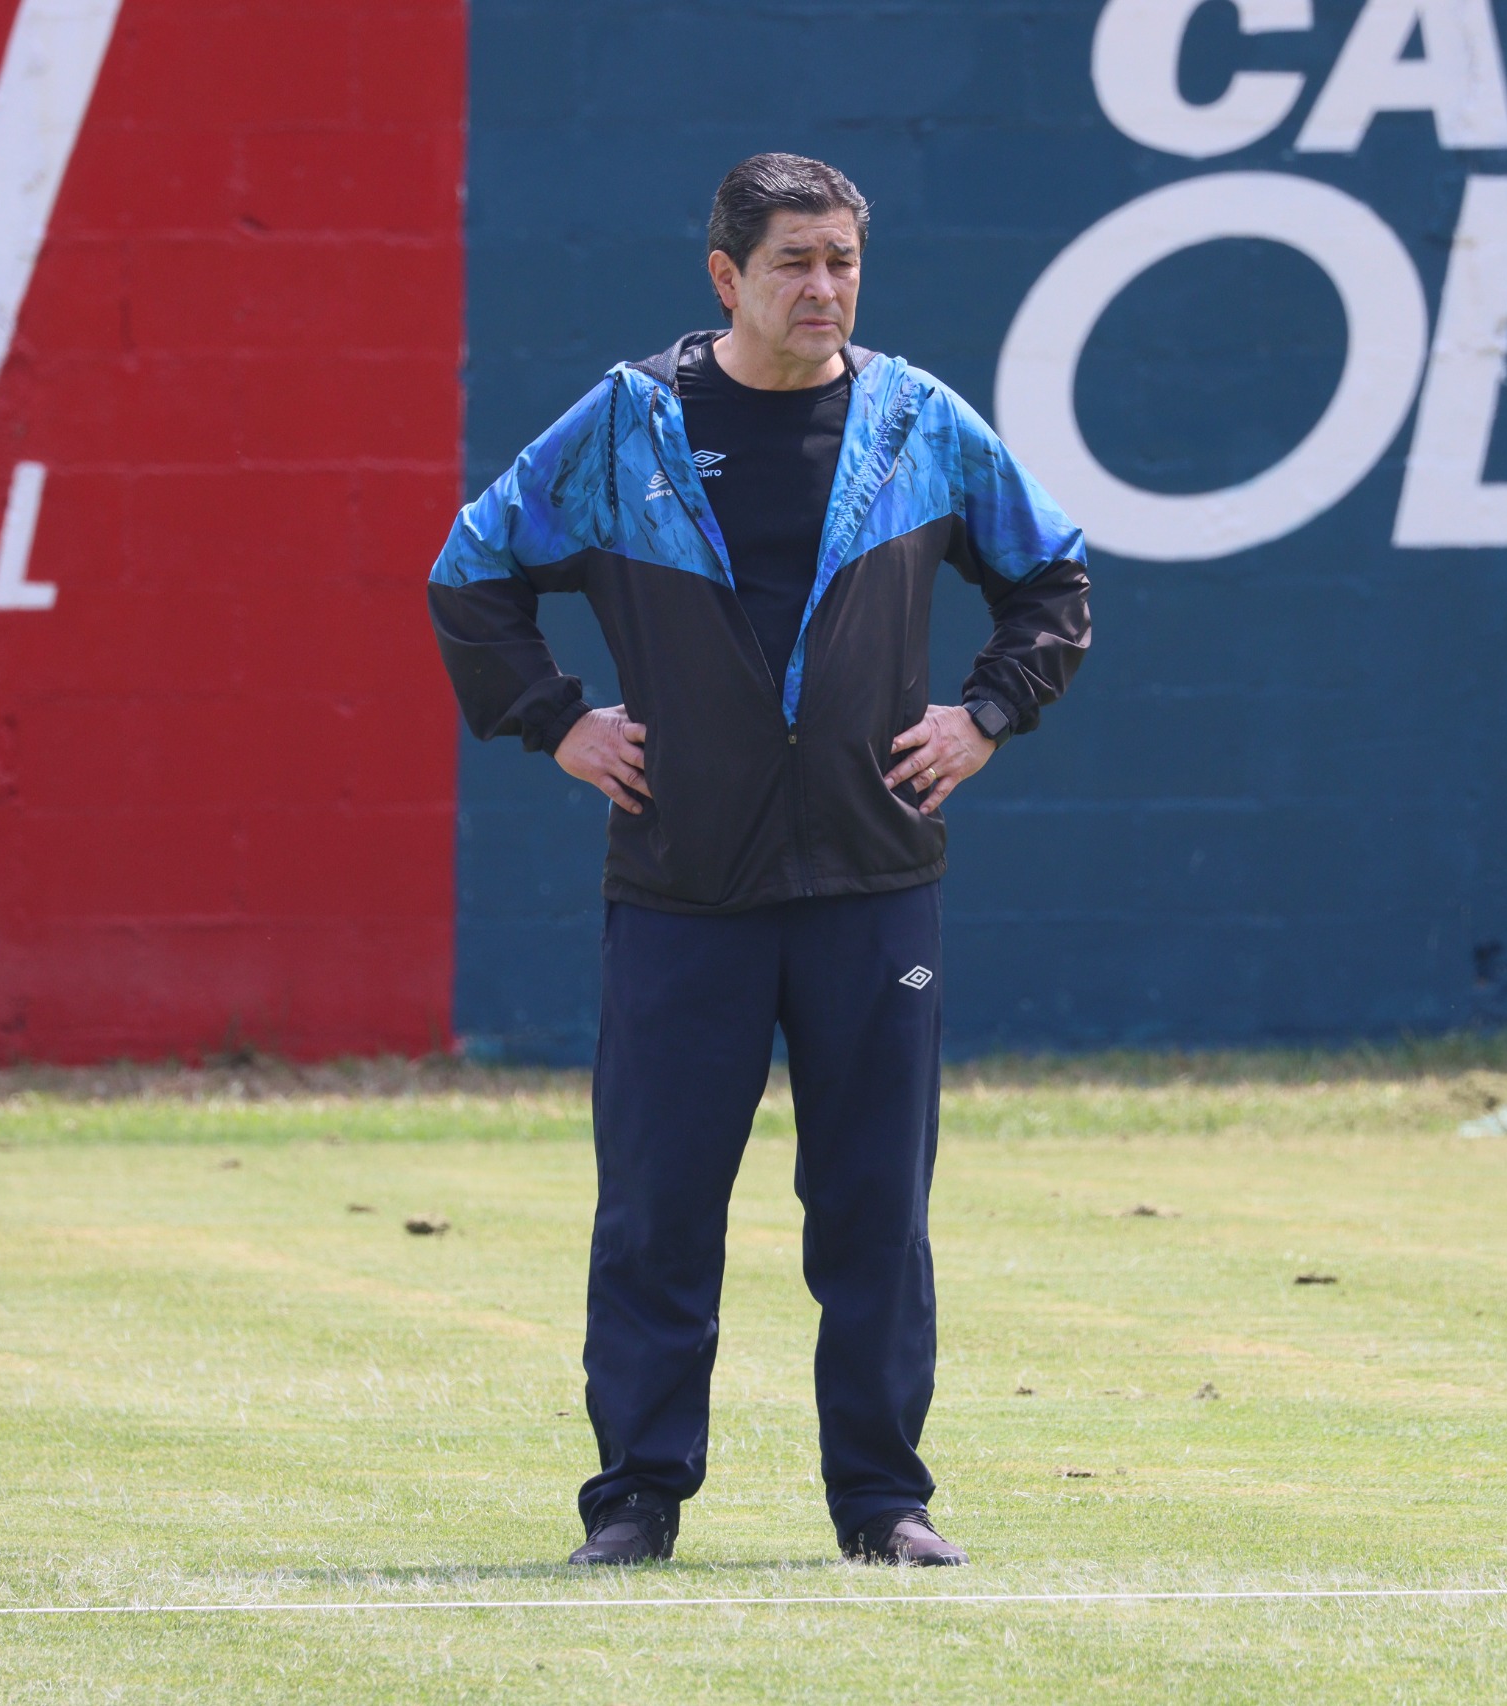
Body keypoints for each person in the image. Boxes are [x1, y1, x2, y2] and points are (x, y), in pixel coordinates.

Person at [426, 153, 1091, 1567]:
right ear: (726, 276)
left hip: (872, 878)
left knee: (873, 1211)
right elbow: (469, 571)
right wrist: (557, 720)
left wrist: (984, 715)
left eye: (843, 260)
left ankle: (883, 1502)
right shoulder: (628, 427)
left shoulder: (917, 422)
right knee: (660, 1206)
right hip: (684, 884)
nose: (824, 289)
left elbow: (1053, 577)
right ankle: (637, 1499)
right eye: (794, 262)